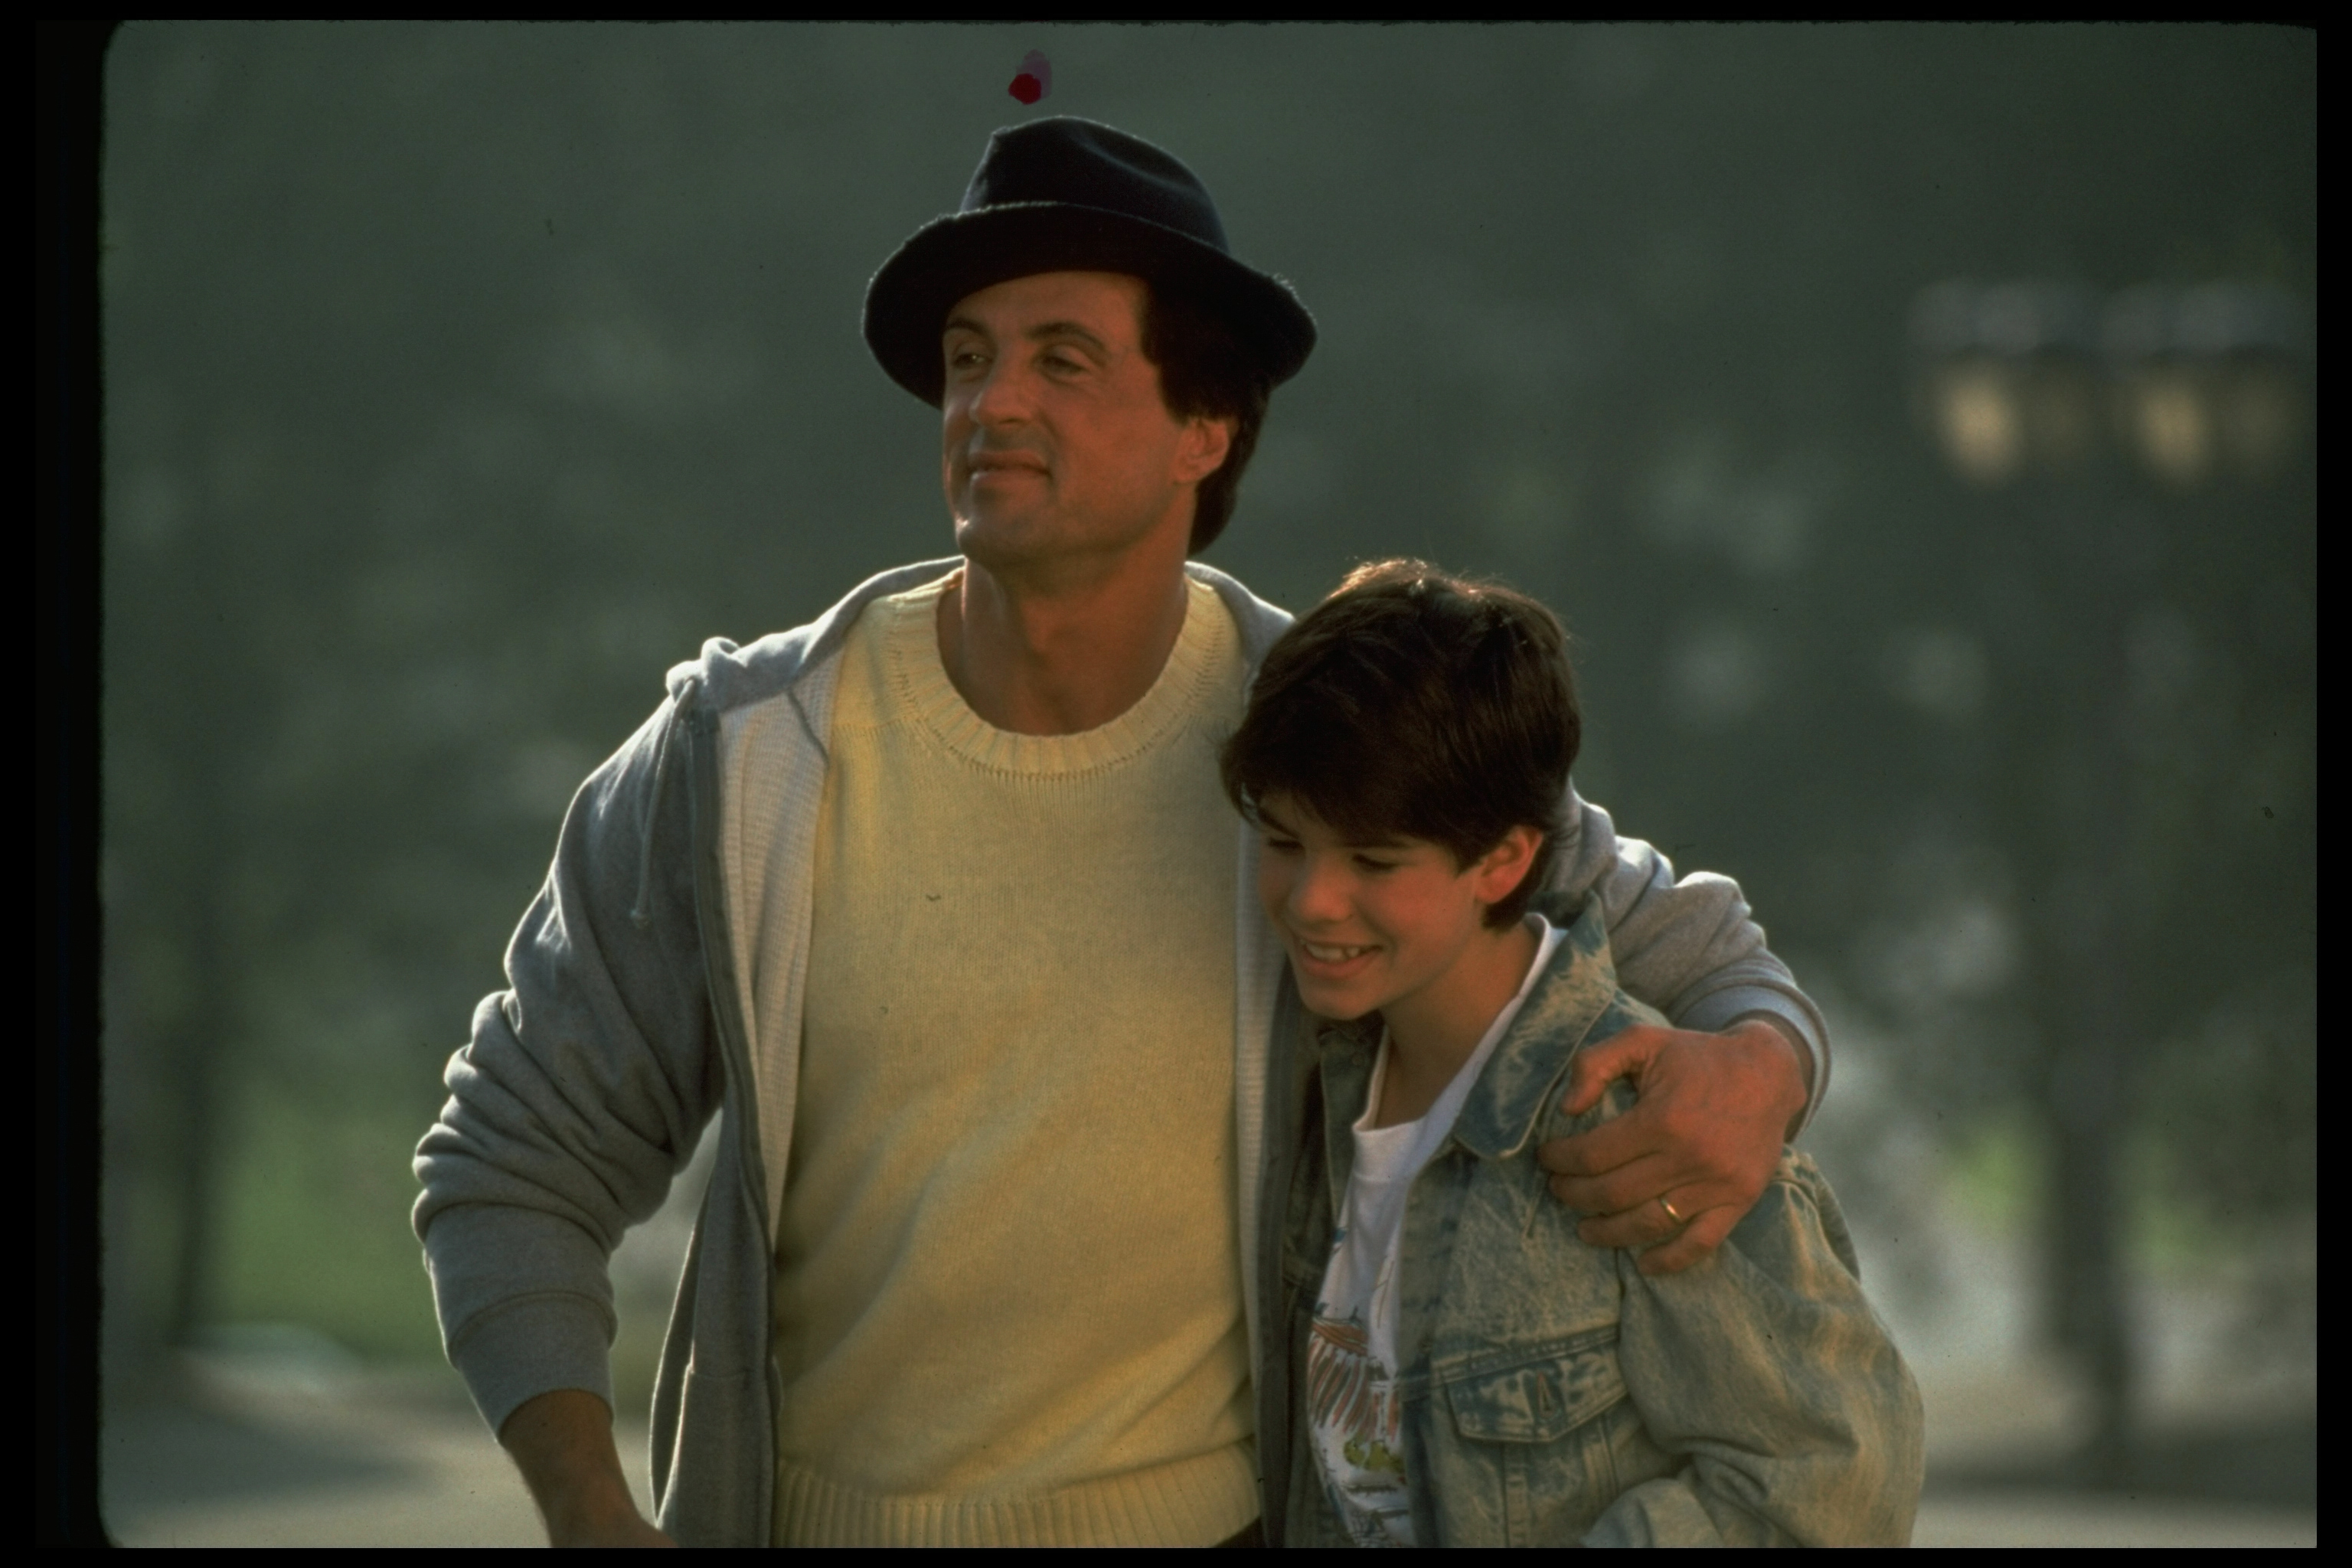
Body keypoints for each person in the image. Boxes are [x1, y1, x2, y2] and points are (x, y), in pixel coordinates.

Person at [412, 116, 1829, 1548]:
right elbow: (507, 1162)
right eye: (968, 358)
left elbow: (1695, 947)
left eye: (1061, 359)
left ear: (1203, 431)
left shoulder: (1329, 746)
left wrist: (1764, 1068)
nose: (991, 402)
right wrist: (591, 1512)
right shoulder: (747, 758)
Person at [1224, 560, 1922, 1547]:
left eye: (1374, 861)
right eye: (1284, 842)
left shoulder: (1639, 1126)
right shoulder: (1316, 1085)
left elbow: (1831, 1486)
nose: (1311, 902)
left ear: (1506, 859)